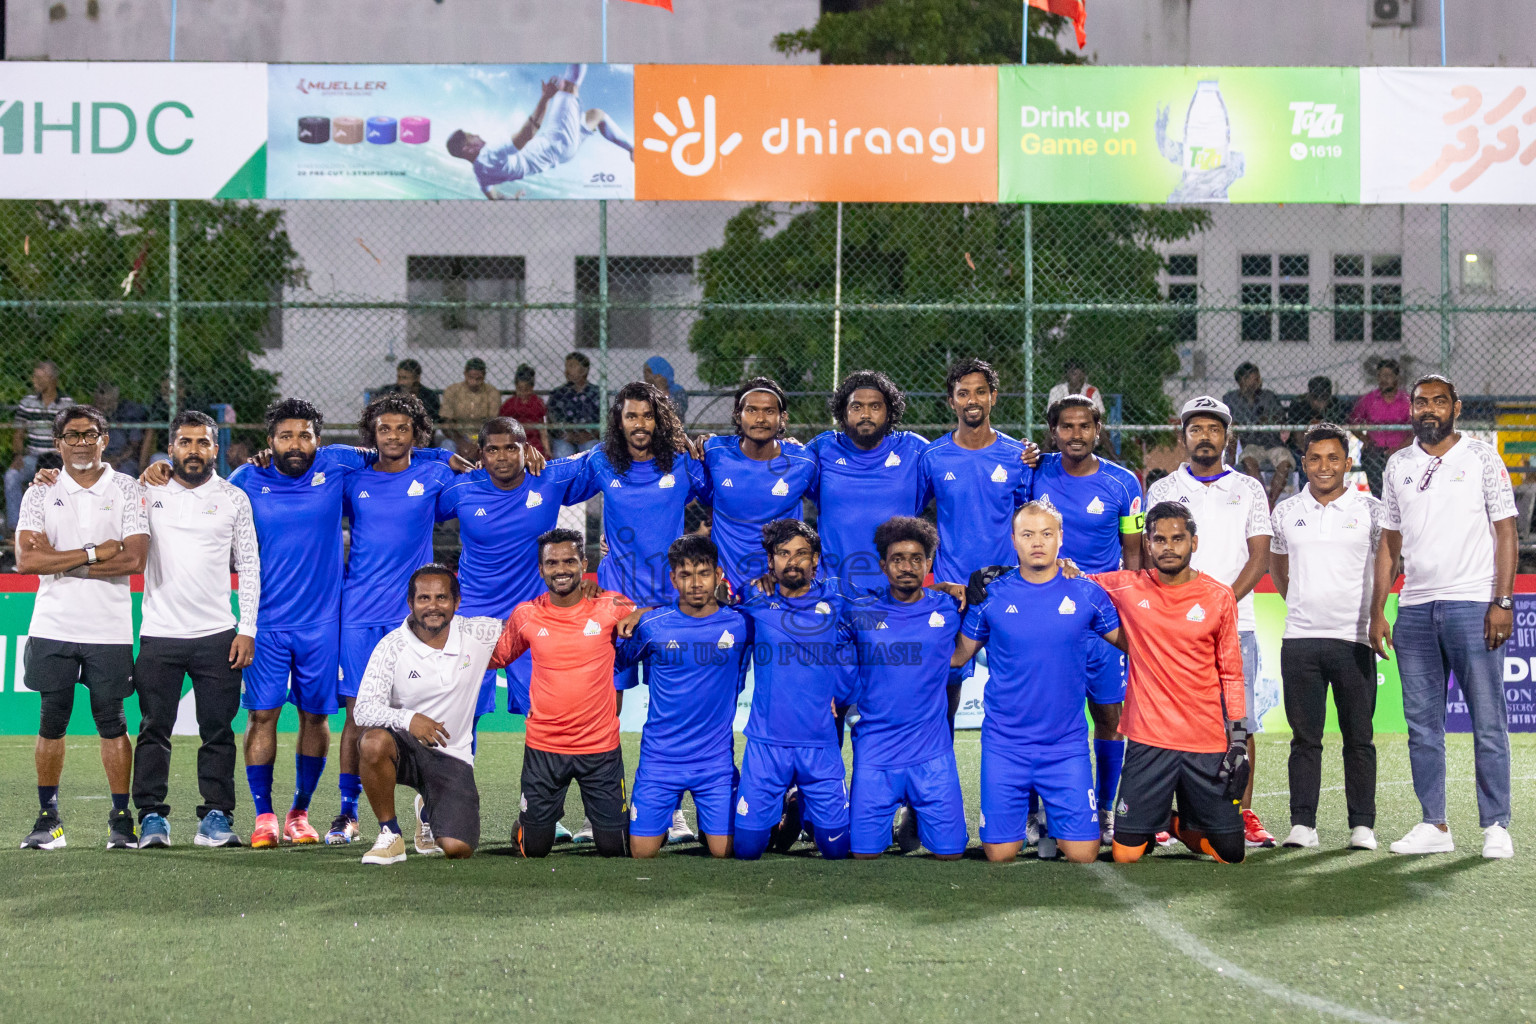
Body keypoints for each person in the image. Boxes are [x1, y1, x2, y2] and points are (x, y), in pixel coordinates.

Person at [222, 398, 455, 849]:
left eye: (305, 435)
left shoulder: (336, 465)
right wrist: (159, 474)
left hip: (326, 620)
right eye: (285, 436)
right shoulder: (248, 478)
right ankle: (265, 815)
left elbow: (396, 451)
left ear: (318, 439)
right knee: (264, 715)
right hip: (266, 623)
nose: (296, 444)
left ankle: (301, 812)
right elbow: (206, 500)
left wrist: (445, 456)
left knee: (318, 715)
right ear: (269, 441)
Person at [1371, 374, 1518, 860]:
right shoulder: (1397, 465)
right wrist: (1379, 611)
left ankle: (1496, 824)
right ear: (1410, 410)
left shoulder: (1481, 457)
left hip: (1473, 604)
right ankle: (1434, 824)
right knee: (1422, 724)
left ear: (1457, 407)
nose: (1428, 409)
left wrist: (1502, 601)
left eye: (1438, 402)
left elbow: (1506, 533)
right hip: (1414, 609)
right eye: (1420, 403)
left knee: (1487, 721)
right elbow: (1389, 543)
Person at [1079, 502, 1251, 865]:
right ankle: (1154, 821)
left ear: (1194, 542)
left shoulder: (1219, 596)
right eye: (1159, 539)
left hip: (1205, 742)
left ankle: (1175, 824)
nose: (1168, 546)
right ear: (1148, 543)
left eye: (1177, 538)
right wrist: (1007, 575)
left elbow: (1232, 674)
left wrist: (1238, 739)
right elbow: (1073, 581)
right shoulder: (1127, 586)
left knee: (1232, 855)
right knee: (1125, 855)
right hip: (1148, 740)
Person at [953, 503, 1123, 864]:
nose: (1037, 543)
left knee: (1083, 854)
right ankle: (1039, 816)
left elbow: (1135, 641)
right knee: (1000, 855)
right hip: (1005, 744)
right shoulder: (991, 595)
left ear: (1061, 538)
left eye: (1047, 534)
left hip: (1065, 747)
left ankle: (1054, 817)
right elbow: (956, 656)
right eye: (1027, 535)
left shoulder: (1087, 594)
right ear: (1013, 540)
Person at [15, 405, 148, 850]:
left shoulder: (128, 489)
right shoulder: (40, 492)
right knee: (52, 722)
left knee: (112, 723)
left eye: (90, 434)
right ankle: (48, 819)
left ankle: (121, 820)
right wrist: (94, 554)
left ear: (104, 439)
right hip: (53, 624)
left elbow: (132, 559)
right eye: (71, 435)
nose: (81, 442)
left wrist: (63, 561)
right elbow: (28, 560)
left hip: (108, 628)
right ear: (58, 444)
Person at [329, 394, 458, 846]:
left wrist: (439, 454)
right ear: (373, 434)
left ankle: (427, 807)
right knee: (356, 717)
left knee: (424, 711)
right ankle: (347, 813)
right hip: (359, 613)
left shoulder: (436, 474)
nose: (393, 436)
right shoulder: (354, 481)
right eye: (384, 429)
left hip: (414, 619)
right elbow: (322, 460)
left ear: (415, 434)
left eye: (402, 428)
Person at [1148, 396, 1276, 847]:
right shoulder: (1162, 490)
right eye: (1196, 428)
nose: (1205, 436)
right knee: (1171, 723)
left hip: (1234, 625)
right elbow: (1153, 557)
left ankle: (1241, 813)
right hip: (1174, 630)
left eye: (1214, 429)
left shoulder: (1249, 489)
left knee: (1239, 725)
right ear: (1183, 436)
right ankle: (1164, 816)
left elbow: (1260, 556)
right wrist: (1181, 610)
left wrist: (1222, 603)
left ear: (1227, 436)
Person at [132, 411, 260, 850]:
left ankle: (217, 817)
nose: (193, 451)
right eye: (185, 442)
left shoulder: (233, 498)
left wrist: (247, 628)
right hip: (159, 633)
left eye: (202, 443)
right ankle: (150, 817)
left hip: (218, 635)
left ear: (215, 449)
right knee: (153, 729)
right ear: (171, 449)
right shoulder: (147, 491)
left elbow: (249, 566)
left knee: (219, 732)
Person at [1031, 395, 1145, 843]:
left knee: (1109, 716)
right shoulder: (1035, 472)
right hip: (1044, 615)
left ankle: (1105, 809)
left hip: (1100, 617)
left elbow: (1133, 553)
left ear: (1098, 429)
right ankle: (1037, 810)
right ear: (1054, 431)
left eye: (1084, 426)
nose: (1075, 435)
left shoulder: (1123, 482)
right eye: (1066, 427)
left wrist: (1132, 607)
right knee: (1044, 715)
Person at [1270, 423, 1384, 851]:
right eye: (1315, 458)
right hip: (1300, 639)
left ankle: (1362, 825)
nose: (1324, 466)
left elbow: (1386, 566)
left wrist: (1375, 616)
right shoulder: (1285, 512)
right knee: (1305, 738)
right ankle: (1303, 824)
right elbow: (1278, 567)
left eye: (1333, 458)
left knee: (1359, 736)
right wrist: (1299, 600)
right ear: (1304, 463)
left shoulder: (1371, 510)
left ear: (1348, 464)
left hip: (1354, 639)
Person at [490, 529, 639, 858]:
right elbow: (495, 657)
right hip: (545, 748)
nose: (561, 569)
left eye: (570, 561)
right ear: (540, 569)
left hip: (600, 748)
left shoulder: (611, 605)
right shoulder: (526, 615)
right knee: (535, 849)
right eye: (552, 562)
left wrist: (643, 611)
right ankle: (526, 825)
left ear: (584, 564)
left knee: (616, 848)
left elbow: (652, 616)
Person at [436, 417, 584, 722]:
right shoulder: (462, 489)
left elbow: (601, 456)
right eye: (492, 450)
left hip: (532, 615)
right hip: (473, 616)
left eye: (511, 448)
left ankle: (542, 772)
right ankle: (459, 771)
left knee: (546, 714)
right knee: (459, 718)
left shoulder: (550, 478)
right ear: (480, 454)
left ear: (526, 449)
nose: (502, 457)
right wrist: (439, 455)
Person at [354, 565, 501, 865]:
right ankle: (390, 834)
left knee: (458, 849)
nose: (432, 606)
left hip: (452, 756)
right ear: (410, 603)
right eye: (423, 598)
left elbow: (531, 621)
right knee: (372, 742)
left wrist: (590, 594)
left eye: (441, 597)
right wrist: (410, 719)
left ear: (457, 602)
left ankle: (428, 806)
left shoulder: (478, 632)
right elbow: (362, 709)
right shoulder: (391, 647)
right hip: (405, 749)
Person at [917, 357, 1033, 731]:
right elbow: (914, 524)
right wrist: (930, 582)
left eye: (980, 391)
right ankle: (939, 788)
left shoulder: (1019, 456)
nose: (972, 399)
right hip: (953, 592)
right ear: (951, 401)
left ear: (993, 397)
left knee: (1014, 696)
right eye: (962, 392)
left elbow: (1031, 522)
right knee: (943, 702)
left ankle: (1018, 781)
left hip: (1006, 590)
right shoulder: (932, 458)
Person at [617, 535, 750, 858]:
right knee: (641, 853)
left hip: (715, 760)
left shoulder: (743, 623)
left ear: (719, 575)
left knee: (725, 852)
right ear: (673, 578)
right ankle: (660, 824)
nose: (695, 583)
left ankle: (711, 825)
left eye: (703, 573)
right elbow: (618, 661)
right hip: (660, 760)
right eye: (685, 575)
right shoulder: (652, 625)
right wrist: (641, 612)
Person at [845, 517, 967, 861]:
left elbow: (964, 648)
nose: (907, 566)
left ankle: (915, 816)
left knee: (951, 854)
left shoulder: (949, 608)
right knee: (863, 854)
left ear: (928, 564)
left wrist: (946, 588)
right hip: (876, 753)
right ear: (883, 565)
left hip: (932, 754)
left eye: (917, 559)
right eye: (898, 559)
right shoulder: (860, 611)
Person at [732, 519, 855, 861]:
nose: (793, 561)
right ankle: (780, 808)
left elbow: (875, 628)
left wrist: (840, 692)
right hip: (766, 744)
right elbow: (710, 605)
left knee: (837, 850)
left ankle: (801, 803)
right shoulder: (753, 596)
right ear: (770, 561)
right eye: (783, 554)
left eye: (801, 553)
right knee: (746, 849)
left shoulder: (838, 598)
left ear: (816, 559)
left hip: (819, 744)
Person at [806, 370, 930, 593]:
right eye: (856, 407)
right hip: (833, 592)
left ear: (889, 412)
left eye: (875, 406)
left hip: (897, 592)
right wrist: (783, 449)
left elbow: (957, 473)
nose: (866, 414)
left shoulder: (914, 449)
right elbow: (781, 477)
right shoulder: (821, 449)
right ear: (843, 414)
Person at [698, 377, 818, 591]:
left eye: (769, 411)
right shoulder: (713, 452)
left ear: (783, 418)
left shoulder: (803, 462)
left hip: (779, 588)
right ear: (738, 415)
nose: (760, 418)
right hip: (723, 589)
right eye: (752, 410)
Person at [447, 65, 633, 200]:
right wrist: (545, 98)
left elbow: (493, 197)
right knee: (569, 86)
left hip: (562, 154)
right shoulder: (490, 153)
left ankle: (633, 150)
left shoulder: (480, 173)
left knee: (596, 115)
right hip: (556, 141)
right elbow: (528, 134)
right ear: (467, 149)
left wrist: (513, 200)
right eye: (472, 136)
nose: (478, 135)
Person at [6, 359, 73, 532]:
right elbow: (19, 434)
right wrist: (18, 456)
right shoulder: (27, 402)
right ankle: (17, 529)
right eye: (34, 377)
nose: (34, 381)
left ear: (52, 379)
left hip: (57, 458)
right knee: (11, 476)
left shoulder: (67, 404)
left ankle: (61, 529)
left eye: (39, 378)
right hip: (33, 456)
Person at [1222, 362, 1292, 507]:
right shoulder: (1231, 399)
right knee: (1248, 461)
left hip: (1273, 443)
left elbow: (1281, 419)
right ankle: (1262, 500)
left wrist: (1270, 419)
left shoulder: (1268, 396)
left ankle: (1270, 503)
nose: (1257, 382)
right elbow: (1231, 423)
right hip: (1251, 443)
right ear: (1242, 380)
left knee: (1285, 462)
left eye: (1257, 378)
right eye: (1253, 379)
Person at [1351, 358, 1412, 498]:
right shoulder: (1369, 399)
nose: (1383, 380)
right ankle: (1379, 500)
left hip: (1401, 449)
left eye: (1388, 376)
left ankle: (1399, 499)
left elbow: (1416, 431)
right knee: (1370, 459)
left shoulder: (1407, 401)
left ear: (1397, 377)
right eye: (1380, 376)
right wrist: (1365, 439)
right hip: (1375, 448)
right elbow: (1353, 422)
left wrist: (1399, 448)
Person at [439, 358, 502, 462]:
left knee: (493, 448)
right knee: (446, 446)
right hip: (459, 436)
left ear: (484, 376)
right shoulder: (453, 391)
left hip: (484, 438)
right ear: (465, 374)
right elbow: (445, 422)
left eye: (479, 378)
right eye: (471, 377)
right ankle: (447, 477)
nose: (474, 382)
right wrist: (461, 442)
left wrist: (478, 444)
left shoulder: (492, 393)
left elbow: (492, 423)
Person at [1284, 376, 1353, 469]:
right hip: (1302, 446)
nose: (1319, 403)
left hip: (1328, 446)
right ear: (1310, 396)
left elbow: (1340, 435)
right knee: (1306, 463)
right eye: (1316, 399)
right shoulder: (1299, 404)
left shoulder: (1336, 405)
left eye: (1324, 399)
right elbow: (1297, 436)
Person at [547, 352, 602, 458]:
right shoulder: (558, 394)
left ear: (584, 370)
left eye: (572, 366)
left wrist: (591, 435)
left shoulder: (597, 393)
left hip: (589, 438)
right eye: (566, 366)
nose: (567, 371)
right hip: (565, 438)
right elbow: (552, 420)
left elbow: (605, 419)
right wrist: (568, 435)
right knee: (563, 452)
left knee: (591, 451)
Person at [93, 381, 147, 478]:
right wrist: (103, 461)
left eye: (108, 403)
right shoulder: (90, 415)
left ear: (116, 400)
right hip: (99, 458)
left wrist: (116, 460)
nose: (104, 407)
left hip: (123, 459)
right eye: (100, 403)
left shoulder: (129, 412)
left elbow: (133, 446)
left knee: (126, 471)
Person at [498, 364, 550, 457]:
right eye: (520, 389)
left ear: (532, 388)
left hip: (534, 441)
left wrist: (547, 449)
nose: (523, 393)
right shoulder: (509, 404)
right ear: (516, 387)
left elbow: (543, 429)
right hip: (514, 439)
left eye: (526, 389)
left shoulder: (538, 403)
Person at [376, 358, 441, 423]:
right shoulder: (386, 392)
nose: (400, 382)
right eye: (399, 377)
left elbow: (433, 423)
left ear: (417, 378)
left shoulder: (429, 396)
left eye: (404, 378)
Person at [644, 356, 690, 424]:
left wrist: (661, 390)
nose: (646, 376)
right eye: (645, 372)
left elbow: (677, 412)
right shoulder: (645, 392)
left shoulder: (678, 392)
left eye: (650, 372)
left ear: (661, 373)